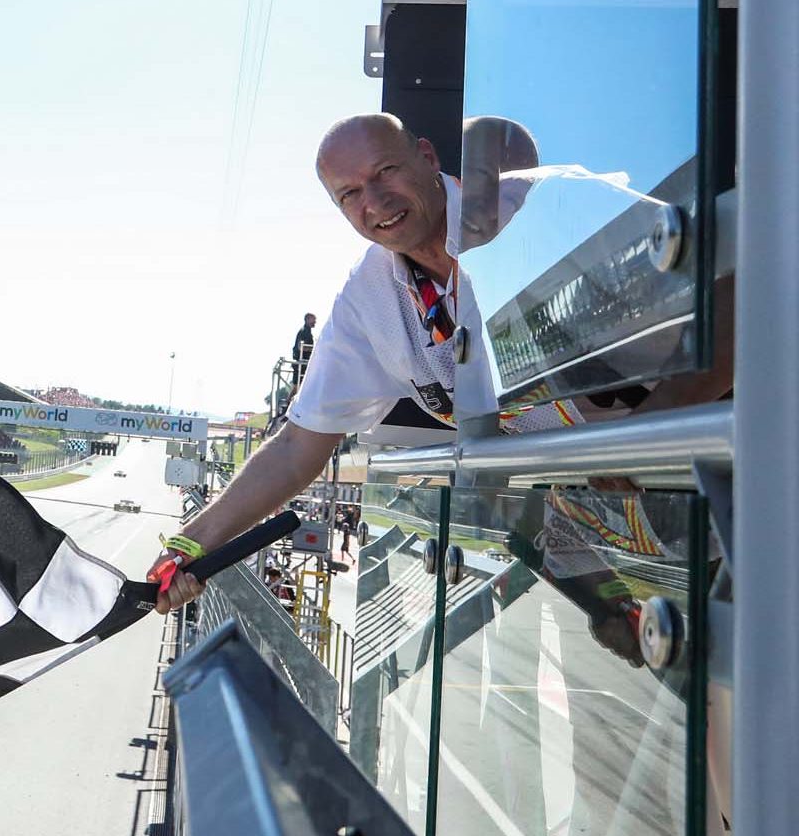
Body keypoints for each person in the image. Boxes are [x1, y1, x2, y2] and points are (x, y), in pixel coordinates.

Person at [146, 112, 731, 610]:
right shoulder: (369, 298)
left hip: (737, 505)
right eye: (349, 193)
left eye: (385, 172)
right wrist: (190, 545)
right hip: (617, 558)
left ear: (426, 157)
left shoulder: (551, 205)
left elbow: (741, 288)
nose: (374, 202)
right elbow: (300, 445)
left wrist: (643, 431)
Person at [291, 312, 316, 388]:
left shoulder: (307, 331)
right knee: (298, 386)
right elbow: (300, 347)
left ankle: (288, 400)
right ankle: (288, 400)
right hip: (302, 362)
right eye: (313, 319)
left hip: (303, 362)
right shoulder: (304, 331)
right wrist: (314, 349)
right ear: (307, 319)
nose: (315, 322)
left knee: (298, 386)